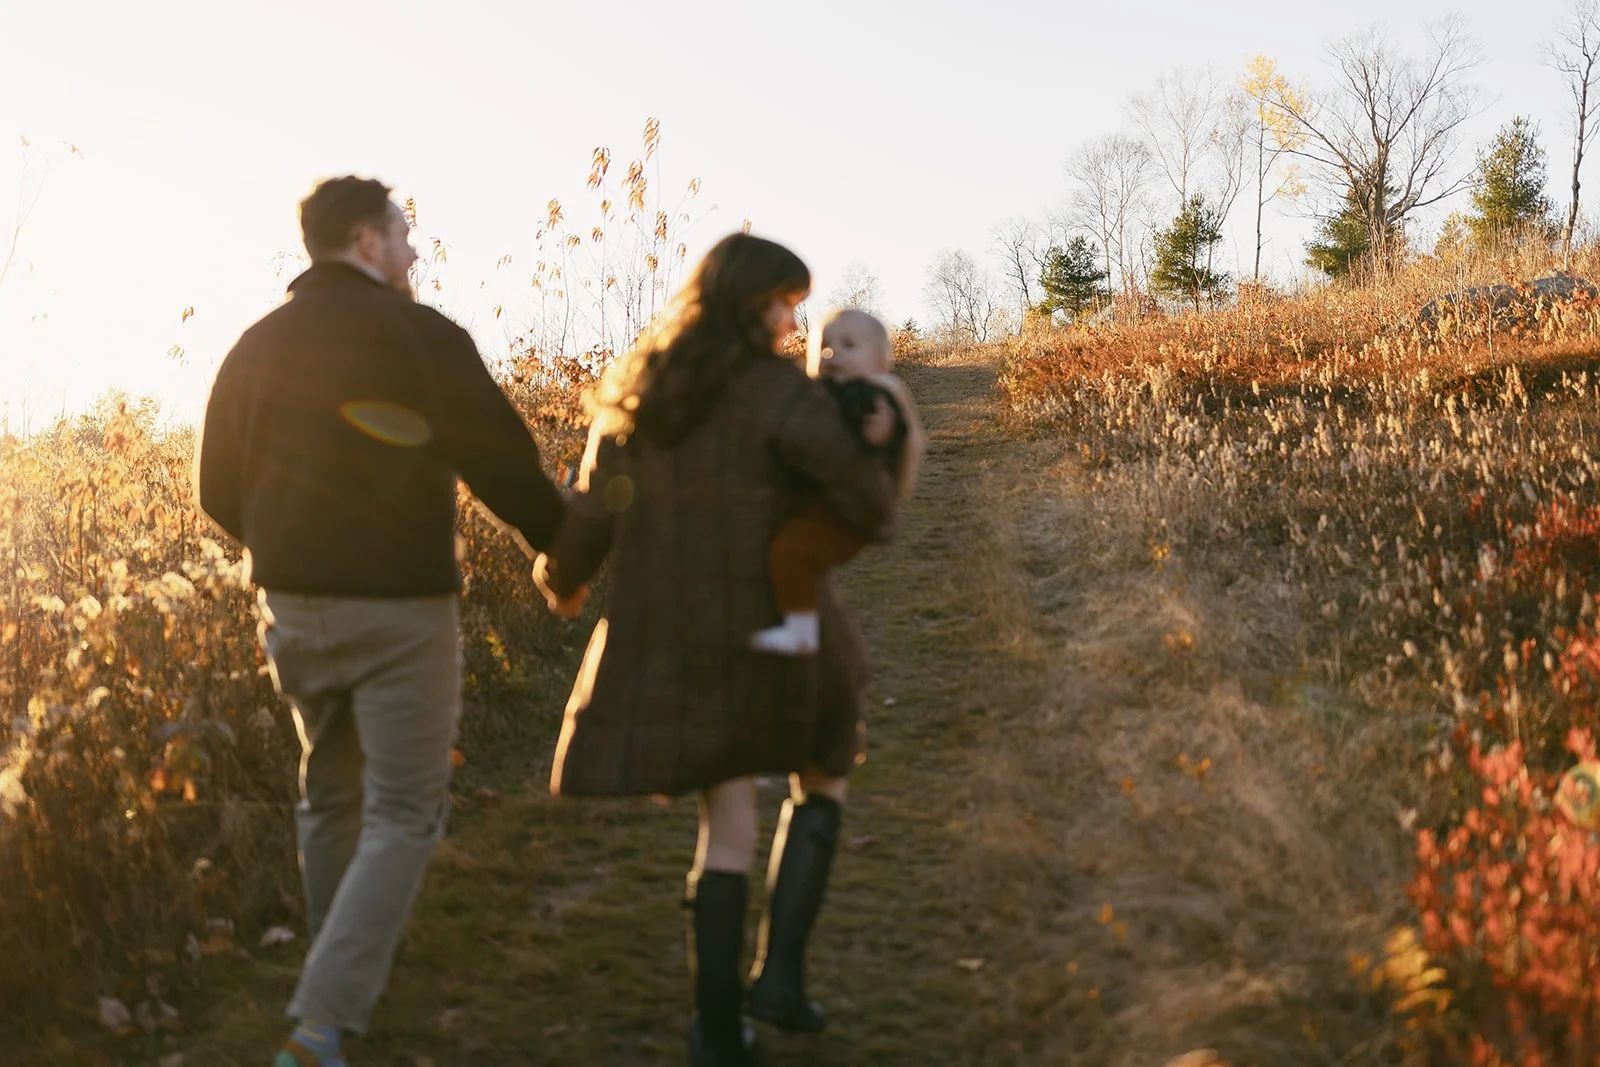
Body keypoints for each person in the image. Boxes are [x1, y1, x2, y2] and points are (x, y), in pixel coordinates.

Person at [195, 175, 576, 1067]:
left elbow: (216, 489)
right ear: (367, 241)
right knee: (406, 810)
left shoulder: (254, 347)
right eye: (403, 234)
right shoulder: (422, 335)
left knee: (331, 793)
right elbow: (503, 465)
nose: (411, 250)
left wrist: (288, 547)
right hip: (401, 609)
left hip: (293, 609)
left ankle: (339, 972)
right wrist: (563, 541)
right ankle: (321, 1023)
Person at [533, 232, 897, 1065]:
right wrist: (877, 445)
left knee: (726, 826)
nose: (791, 322)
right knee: (824, 774)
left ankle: (718, 1029)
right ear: (753, 302)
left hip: (678, 638)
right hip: (780, 637)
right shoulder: (780, 394)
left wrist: (561, 578)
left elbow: (591, 508)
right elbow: (869, 505)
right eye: (785, 304)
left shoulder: (639, 391)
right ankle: (781, 977)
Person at [750, 307, 926, 655]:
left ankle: (801, 632)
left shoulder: (870, 393)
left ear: (881, 361)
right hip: (826, 505)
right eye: (825, 346)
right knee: (793, 556)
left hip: (848, 510)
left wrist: (882, 435)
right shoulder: (824, 392)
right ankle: (801, 620)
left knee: (791, 554)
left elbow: (895, 434)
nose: (833, 354)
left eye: (849, 345)